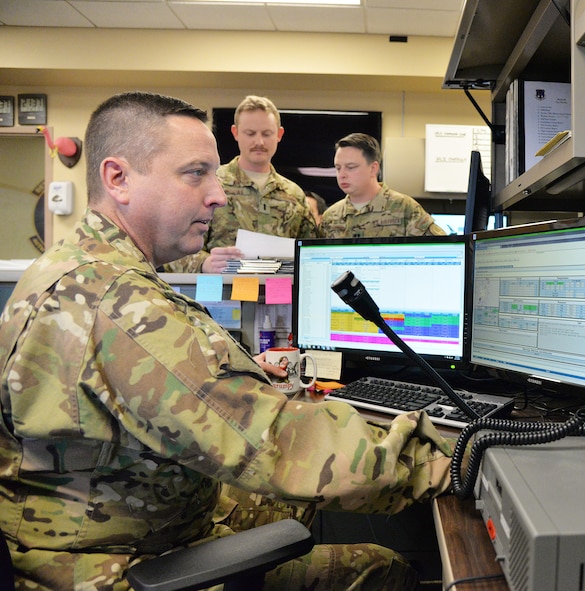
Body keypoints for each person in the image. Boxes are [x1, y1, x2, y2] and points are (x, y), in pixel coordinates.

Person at [0, 91, 455, 591]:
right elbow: (282, 446)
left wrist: (238, 372)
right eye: (195, 174)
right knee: (381, 568)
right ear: (118, 178)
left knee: (288, 504)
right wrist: (453, 457)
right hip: (120, 564)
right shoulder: (121, 303)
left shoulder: (73, 265)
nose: (217, 195)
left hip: (112, 517)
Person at [163, 95, 321, 273]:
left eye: (266, 134)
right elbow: (171, 249)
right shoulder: (208, 184)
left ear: (279, 134)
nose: (259, 142)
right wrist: (204, 263)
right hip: (220, 289)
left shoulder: (294, 195)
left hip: (278, 290)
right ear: (235, 132)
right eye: (250, 133)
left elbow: (312, 256)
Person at [321, 133, 447, 238]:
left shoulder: (404, 208)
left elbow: (443, 250)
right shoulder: (330, 217)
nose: (342, 175)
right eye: (338, 168)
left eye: (351, 167)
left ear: (373, 168)